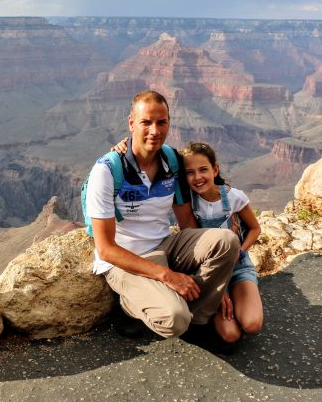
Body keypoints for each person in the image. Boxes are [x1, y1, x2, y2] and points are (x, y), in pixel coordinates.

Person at [86, 90, 239, 339]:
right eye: (146, 122)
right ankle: (130, 307)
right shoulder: (107, 170)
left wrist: (219, 287)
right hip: (126, 260)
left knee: (227, 241)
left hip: (166, 245)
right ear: (131, 123)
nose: (155, 131)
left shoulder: (172, 161)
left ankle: (197, 319)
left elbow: (187, 222)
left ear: (169, 122)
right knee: (174, 320)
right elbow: (106, 250)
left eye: (162, 122)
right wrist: (168, 277)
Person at [181, 142, 263, 342]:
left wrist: (240, 252)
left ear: (215, 169)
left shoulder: (234, 197)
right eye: (190, 172)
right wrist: (218, 292)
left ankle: (240, 298)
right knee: (230, 335)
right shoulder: (189, 202)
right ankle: (222, 308)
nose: (198, 177)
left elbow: (255, 229)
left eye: (203, 170)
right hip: (212, 271)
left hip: (238, 266)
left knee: (252, 324)